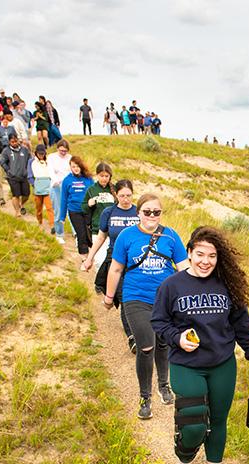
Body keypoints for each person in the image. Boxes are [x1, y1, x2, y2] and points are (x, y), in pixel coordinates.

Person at [151, 226, 249, 464]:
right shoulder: (172, 286)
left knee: (219, 419)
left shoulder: (227, 285)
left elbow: (240, 325)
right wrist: (177, 338)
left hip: (222, 364)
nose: (205, 261)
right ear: (189, 253)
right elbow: (159, 321)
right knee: (194, 421)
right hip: (186, 364)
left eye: (212, 256)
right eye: (200, 254)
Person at [103, 194, 189, 420]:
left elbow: (184, 267)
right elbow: (115, 269)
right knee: (147, 346)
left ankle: (163, 385)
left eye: (156, 212)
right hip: (135, 298)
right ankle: (145, 397)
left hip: (165, 300)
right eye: (147, 211)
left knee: (164, 343)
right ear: (138, 213)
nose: (152, 215)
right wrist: (109, 297)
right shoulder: (127, 236)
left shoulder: (170, 236)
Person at [82, 179, 139, 353]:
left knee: (137, 297)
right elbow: (101, 237)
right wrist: (89, 258)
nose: (125, 199)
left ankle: (142, 331)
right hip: (115, 261)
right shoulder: (109, 212)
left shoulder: (139, 212)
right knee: (124, 298)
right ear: (116, 194)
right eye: (122, 195)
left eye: (128, 195)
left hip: (137, 262)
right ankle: (132, 337)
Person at [81, 162, 116, 265]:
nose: (104, 178)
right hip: (97, 229)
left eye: (106, 176)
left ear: (110, 176)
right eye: (101, 176)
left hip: (114, 230)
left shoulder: (115, 189)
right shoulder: (92, 190)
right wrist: (89, 204)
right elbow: (83, 208)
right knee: (99, 261)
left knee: (112, 261)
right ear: (97, 175)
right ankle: (100, 281)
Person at [58, 156, 93, 250]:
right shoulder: (67, 180)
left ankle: (93, 257)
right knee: (81, 236)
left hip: (88, 211)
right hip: (74, 212)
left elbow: (94, 194)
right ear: (70, 167)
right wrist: (62, 216)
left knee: (90, 236)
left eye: (77, 166)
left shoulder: (88, 179)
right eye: (73, 166)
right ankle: (84, 260)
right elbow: (64, 199)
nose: (76, 168)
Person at [0, 133, 31, 216]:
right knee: (16, 195)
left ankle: (21, 204)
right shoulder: (6, 151)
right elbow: (2, 162)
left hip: (24, 175)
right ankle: (17, 211)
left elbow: (30, 160)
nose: (14, 143)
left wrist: (28, 171)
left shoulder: (24, 150)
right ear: (9, 142)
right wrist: (8, 171)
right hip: (12, 177)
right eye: (12, 142)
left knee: (26, 194)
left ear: (18, 140)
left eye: (15, 141)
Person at [27, 144, 54, 231]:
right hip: (38, 187)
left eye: (43, 154)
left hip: (47, 186)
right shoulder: (31, 162)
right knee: (39, 208)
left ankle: (52, 225)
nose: (41, 155)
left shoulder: (48, 162)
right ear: (36, 153)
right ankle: (40, 222)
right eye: (39, 154)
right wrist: (34, 184)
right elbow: (30, 175)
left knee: (49, 207)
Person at [48, 139, 71, 240]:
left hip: (67, 186)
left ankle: (76, 233)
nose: (63, 153)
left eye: (65, 151)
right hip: (56, 186)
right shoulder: (51, 157)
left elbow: (71, 172)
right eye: (61, 150)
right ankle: (59, 234)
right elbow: (51, 171)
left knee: (72, 211)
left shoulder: (70, 158)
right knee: (58, 211)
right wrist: (56, 180)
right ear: (57, 149)